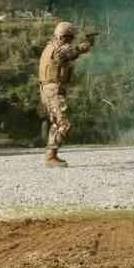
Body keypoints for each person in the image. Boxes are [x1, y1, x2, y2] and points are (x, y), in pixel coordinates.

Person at [38, 19, 95, 167]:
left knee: (57, 124)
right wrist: (87, 45)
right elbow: (71, 52)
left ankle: (51, 156)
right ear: (63, 37)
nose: (71, 41)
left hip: (49, 90)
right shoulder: (59, 49)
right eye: (70, 38)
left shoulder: (50, 47)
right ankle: (51, 156)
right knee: (64, 125)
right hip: (53, 90)